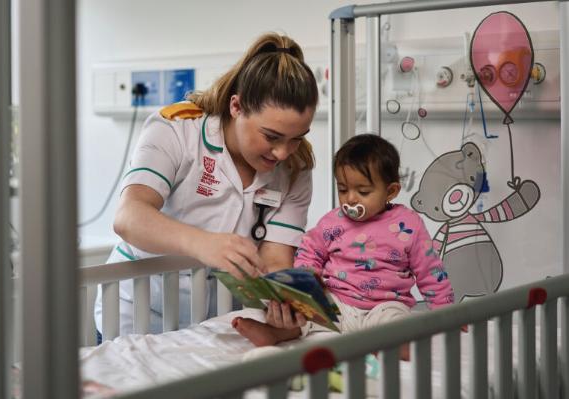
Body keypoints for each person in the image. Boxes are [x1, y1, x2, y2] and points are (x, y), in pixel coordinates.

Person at [94, 32, 319, 336]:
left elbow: (275, 258)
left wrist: (285, 298)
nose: (282, 152)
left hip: (215, 324)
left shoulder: (296, 167)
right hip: (138, 314)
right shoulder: (176, 131)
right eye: (272, 136)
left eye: (297, 138)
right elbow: (129, 217)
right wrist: (203, 244)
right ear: (236, 107)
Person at [233, 134, 455, 357]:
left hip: (384, 306)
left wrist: (447, 314)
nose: (350, 199)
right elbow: (310, 251)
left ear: (390, 191)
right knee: (304, 314)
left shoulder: (408, 225)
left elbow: (430, 271)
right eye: (343, 189)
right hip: (337, 304)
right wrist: (307, 278)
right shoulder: (333, 222)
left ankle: (392, 345)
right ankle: (274, 333)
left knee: (396, 323)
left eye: (363, 192)